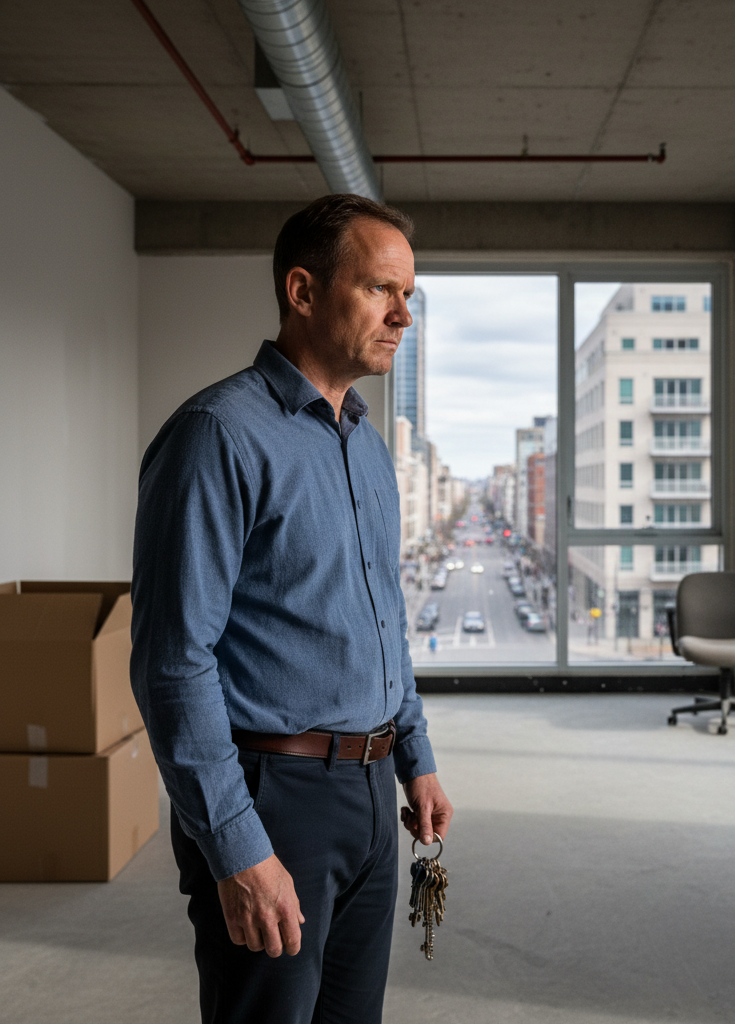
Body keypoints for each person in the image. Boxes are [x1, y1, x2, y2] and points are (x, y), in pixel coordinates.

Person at [130, 193, 453, 1024]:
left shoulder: (368, 445)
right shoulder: (218, 434)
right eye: (382, 290)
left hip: (372, 795)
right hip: (274, 794)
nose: (403, 316)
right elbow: (174, 662)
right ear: (303, 292)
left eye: (409, 295)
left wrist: (414, 753)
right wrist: (238, 848)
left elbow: (384, 617)